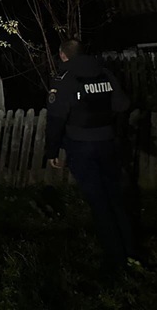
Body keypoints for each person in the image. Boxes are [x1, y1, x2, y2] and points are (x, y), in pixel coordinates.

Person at [45, 38, 137, 273]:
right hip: (108, 143)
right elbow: (122, 105)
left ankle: (116, 260)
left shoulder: (64, 79)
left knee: (98, 202)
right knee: (115, 198)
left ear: (63, 55)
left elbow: (56, 118)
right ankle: (131, 252)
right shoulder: (105, 73)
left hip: (81, 147)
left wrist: (52, 150)